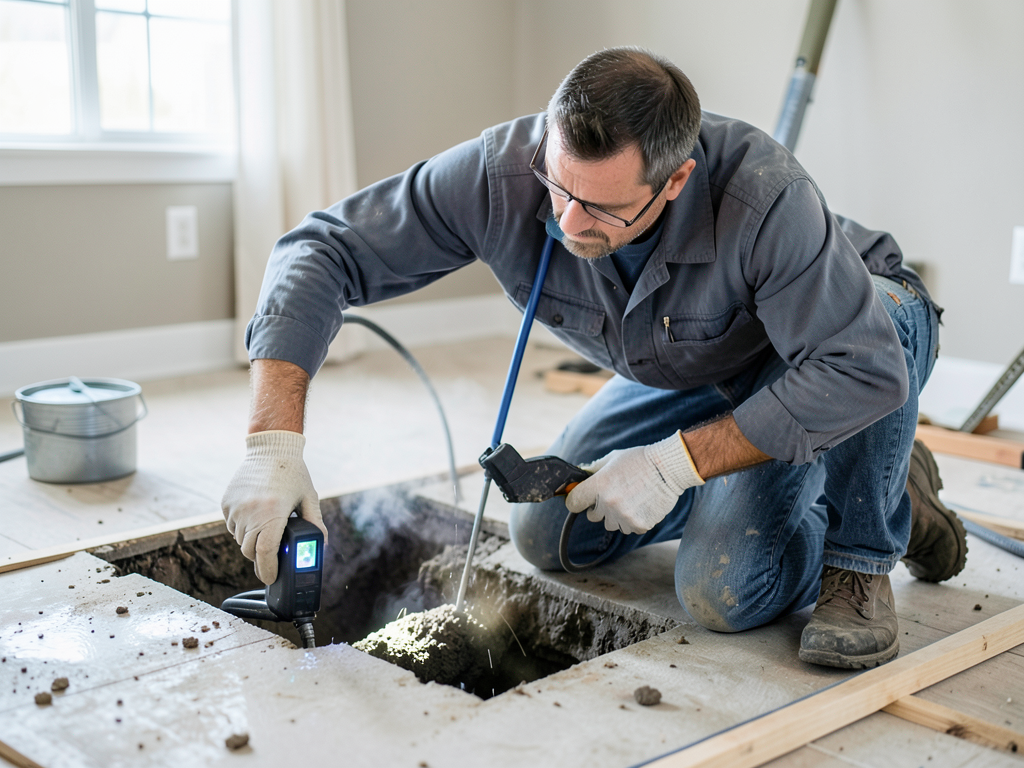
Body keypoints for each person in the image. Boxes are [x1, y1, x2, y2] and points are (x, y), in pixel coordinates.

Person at [221, 47, 967, 669]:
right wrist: (271, 443)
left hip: (846, 341)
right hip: (701, 366)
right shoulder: (505, 173)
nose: (567, 221)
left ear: (675, 180)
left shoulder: (764, 198)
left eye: (603, 208)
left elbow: (860, 366)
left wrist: (676, 465)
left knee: (723, 591)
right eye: (558, 186)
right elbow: (319, 249)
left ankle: (871, 531)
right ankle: (790, 473)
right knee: (548, 533)